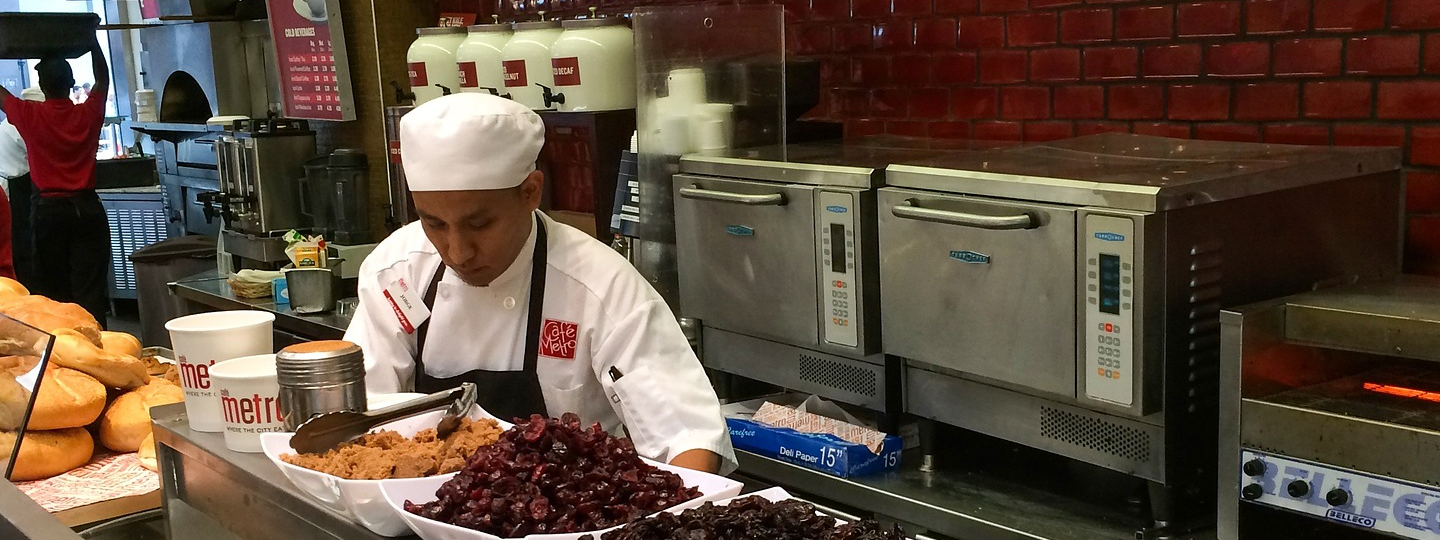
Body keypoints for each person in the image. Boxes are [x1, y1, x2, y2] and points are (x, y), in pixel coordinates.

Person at [346, 93, 735, 475]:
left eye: (479, 224)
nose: (458, 252)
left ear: (531, 192)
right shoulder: (398, 272)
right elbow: (361, 415)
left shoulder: (599, 285)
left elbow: (687, 436)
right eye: (434, 223)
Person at [0, 39, 112, 324]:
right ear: (71, 83)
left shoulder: (30, 114)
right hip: (88, 211)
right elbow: (103, 79)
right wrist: (92, 41)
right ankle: (100, 341)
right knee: (91, 289)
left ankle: (65, 343)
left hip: (49, 214)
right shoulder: (87, 113)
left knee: (53, 293)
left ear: (41, 85)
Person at [0, 87, 47, 283]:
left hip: (12, 186)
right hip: (16, 188)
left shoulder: (7, 123)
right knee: (24, 245)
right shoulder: (21, 125)